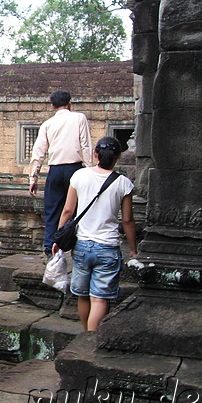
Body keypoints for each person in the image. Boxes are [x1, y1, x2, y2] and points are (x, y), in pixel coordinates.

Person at [53, 136, 137, 331]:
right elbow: (127, 220)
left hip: (82, 245)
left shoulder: (80, 176)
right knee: (99, 299)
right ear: (117, 157)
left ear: (95, 154)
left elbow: (67, 211)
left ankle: (85, 334)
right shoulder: (123, 183)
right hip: (107, 247)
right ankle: (91, 339)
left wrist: (58, 238)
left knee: (83, 295)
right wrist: (133, 249)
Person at [29, 90, 93, 258]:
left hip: (55, 170)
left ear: (52, 105)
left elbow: (38, 152)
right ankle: (75, 247)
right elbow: (86, 145)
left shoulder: (48, 124)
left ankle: (50, 250)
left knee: (52, 211)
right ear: (70, 102)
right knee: (79, 210)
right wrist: (91, 169)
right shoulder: (79, 118)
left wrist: (32, 178)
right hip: (75, 169)